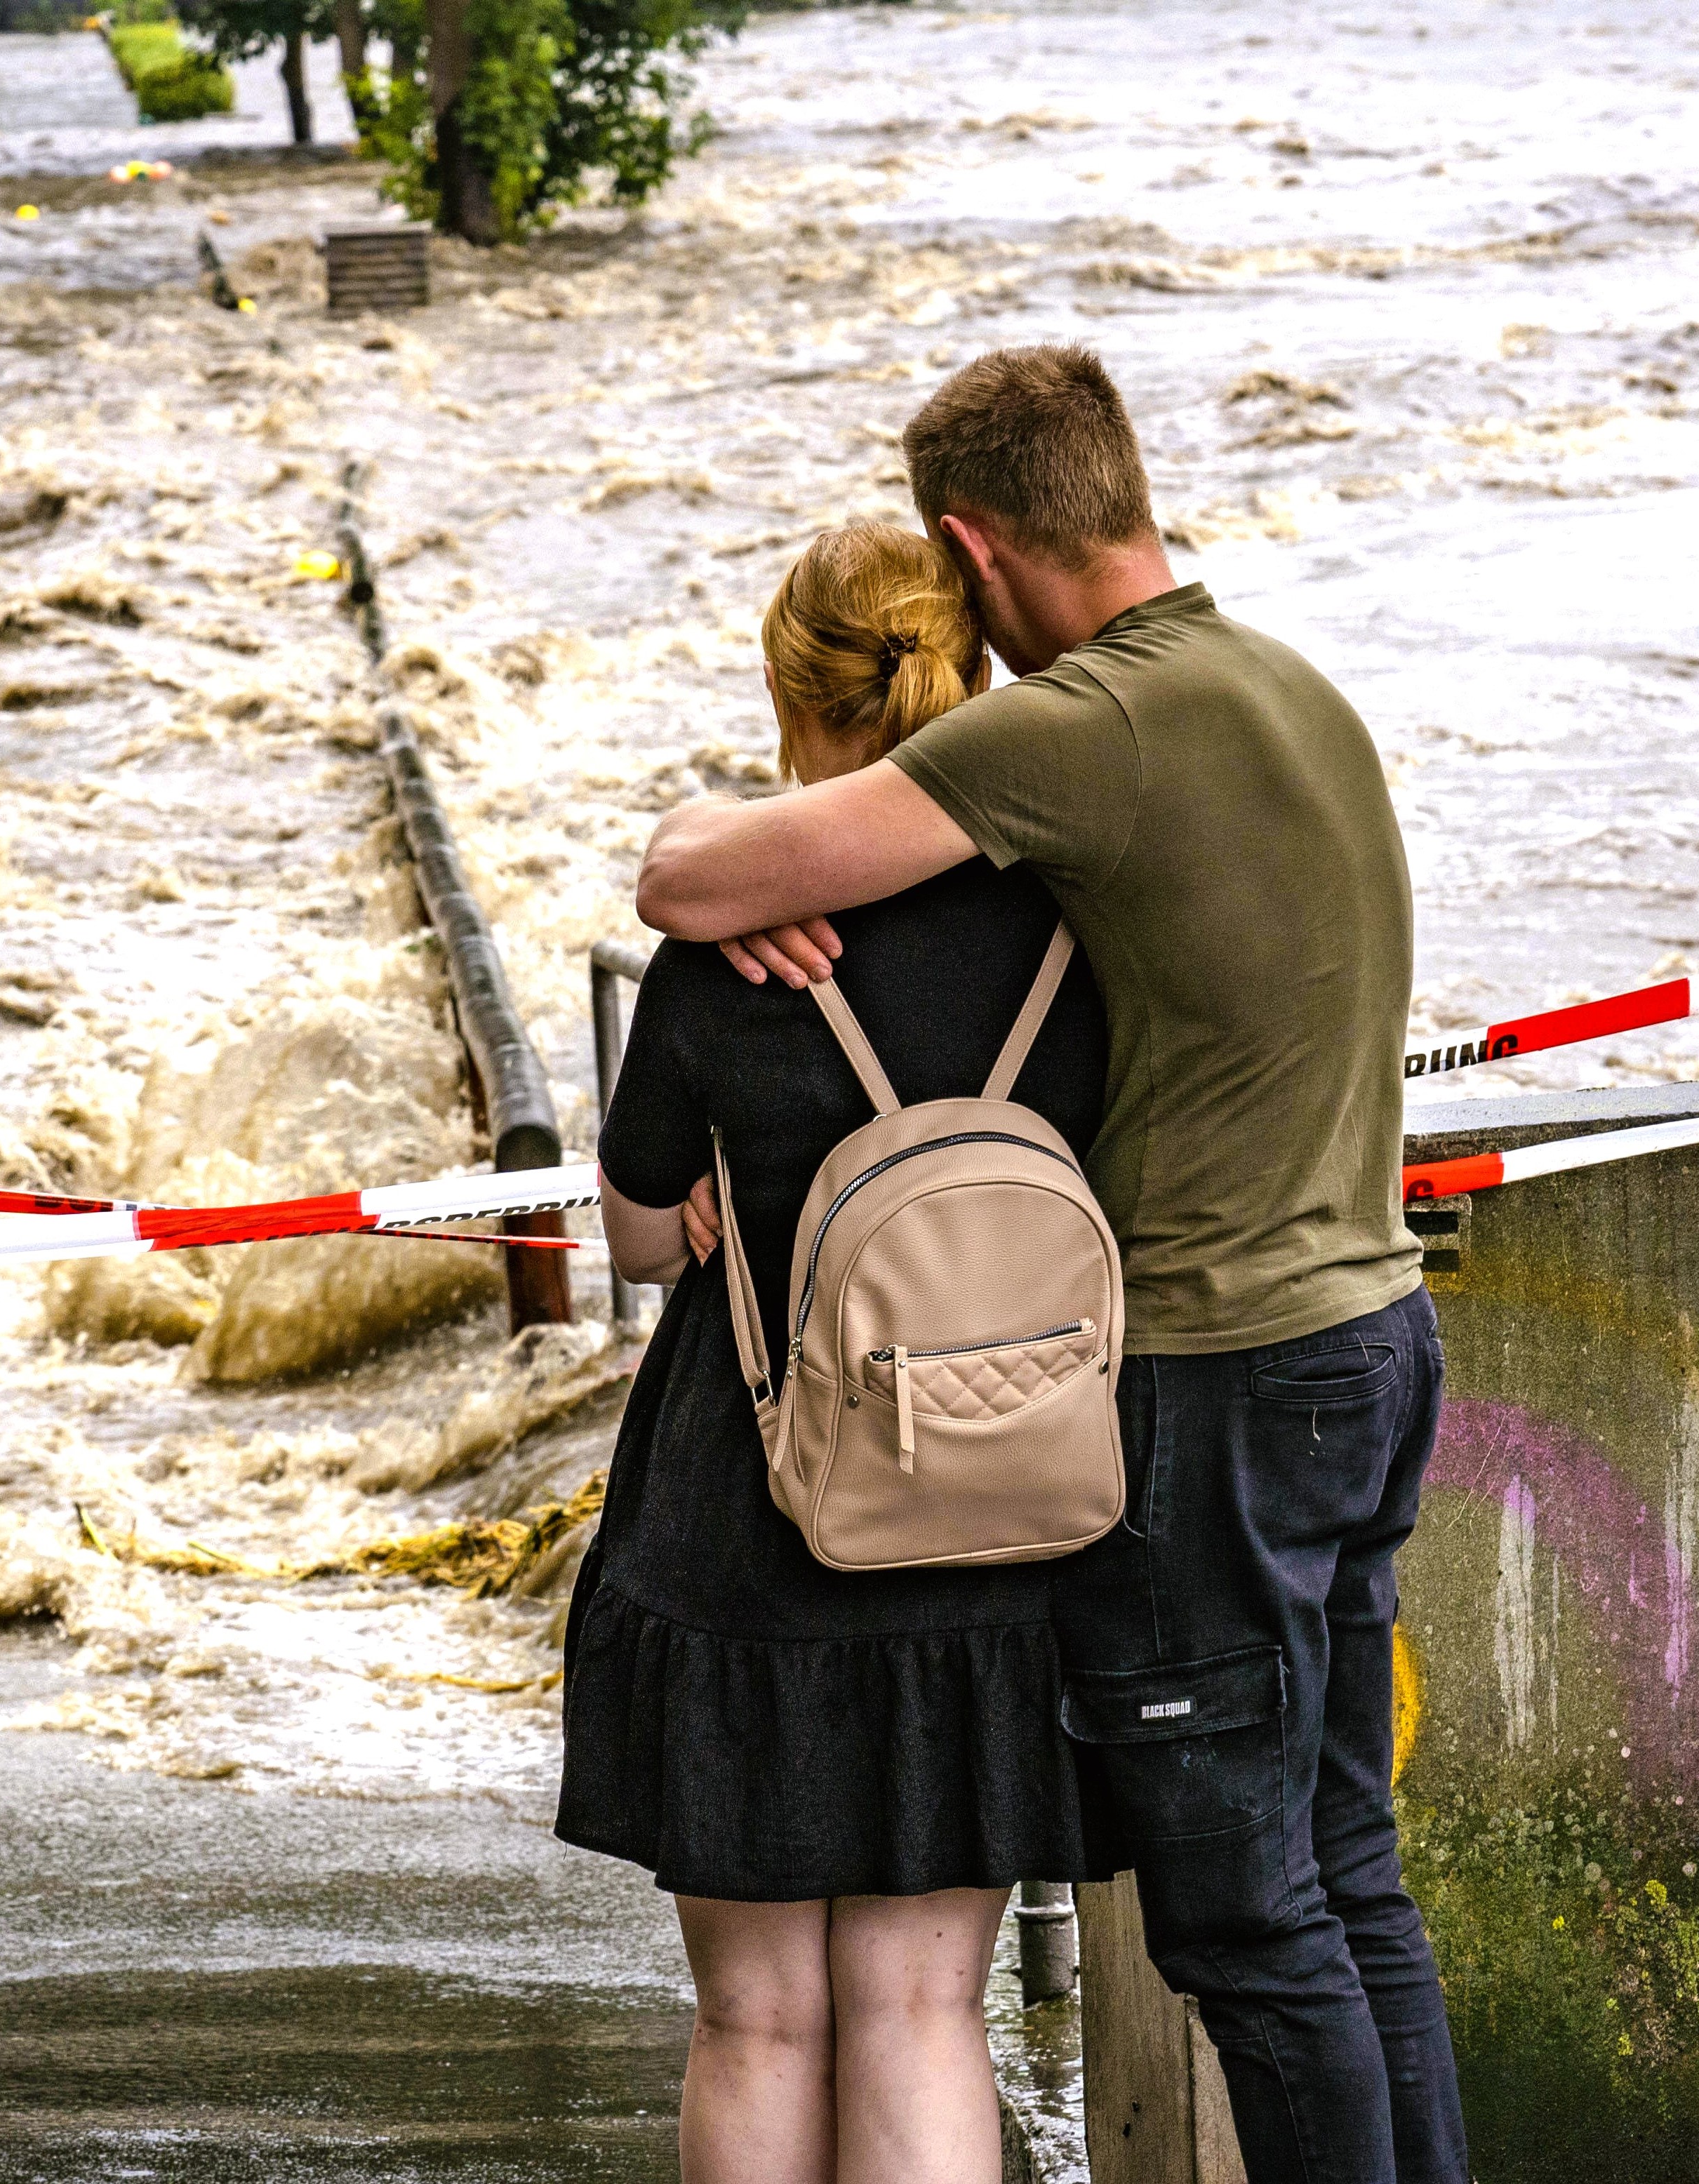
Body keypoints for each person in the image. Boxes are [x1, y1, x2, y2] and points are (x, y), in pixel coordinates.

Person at [636, 348, 1467, 2184]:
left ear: (971, 544)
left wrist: (709, 859)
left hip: (1219, 1378)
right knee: (1352, 1889)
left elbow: (699, 887)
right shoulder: (1288, 686)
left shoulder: (1072, 726)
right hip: (1375, 1329)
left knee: (1252, 1930)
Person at [561, 521, 1117, 2184]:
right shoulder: (1076, 928)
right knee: (928, 2012)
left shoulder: (734, 938)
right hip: (997, 1510)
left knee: (760, 2024)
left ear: (794, 695)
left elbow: (647, 1241)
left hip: (753, 1522)